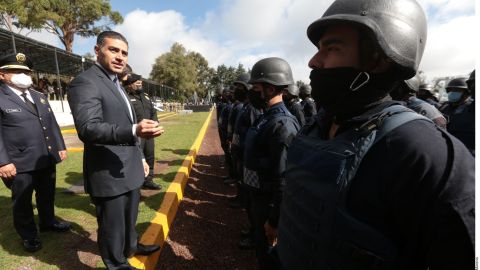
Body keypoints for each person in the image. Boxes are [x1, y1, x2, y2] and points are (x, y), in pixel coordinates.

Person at [277, 0, 475, 269]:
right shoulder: (317, 126)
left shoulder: (428, 155)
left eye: (332, 48)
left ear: (379, 59)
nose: (313, 61)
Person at [67, 31, 164, 270]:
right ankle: (116, 264)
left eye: (124, 52)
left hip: (129, 167)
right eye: (113, 50)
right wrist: (133, 130)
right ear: (97, 50)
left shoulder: (116, 82)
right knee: (112, 226)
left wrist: (140, 156)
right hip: (107, 172)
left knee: (130, 218)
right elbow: (88, 128)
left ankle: (131, 246)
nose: (120, 57)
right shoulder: (86, 81)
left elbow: (126, 125)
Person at [0, 52, 71, 252]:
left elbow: (52, 123)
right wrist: (2, 162)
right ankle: (28, 235)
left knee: (46, 194)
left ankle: (48, 222)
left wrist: (60, 146)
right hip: (18, 161)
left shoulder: (39, 96)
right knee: (22, 200)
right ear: (2, 75)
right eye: (14, 71)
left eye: (25, 71)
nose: (22, 75)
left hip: (45, 156)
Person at [243, 57, 300, 269]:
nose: (252, 93)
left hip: (268, 203)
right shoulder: (266, 117)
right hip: (258, 198)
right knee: (261, 249)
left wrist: (275, 220)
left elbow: (283, 179)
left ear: (270, 88)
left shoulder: (282, 124)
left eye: (256, 88)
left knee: (269, 256)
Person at [123, 72, 162, 190]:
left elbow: (153, 111)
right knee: (138, 158)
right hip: (137, 133)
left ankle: (148, 180)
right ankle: (137, 185)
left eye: (140, 82)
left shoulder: (145, 96)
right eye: (137, 83)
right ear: (130, 85)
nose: (140, 84)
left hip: (149, 132)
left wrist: (155, 123)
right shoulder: (127, 97)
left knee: (150, 155)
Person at [440, 77, 475, 155]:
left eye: (457, 90)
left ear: (466, 93)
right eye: (450, 90)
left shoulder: (473, 109)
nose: (452, 93)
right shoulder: (444, 107)